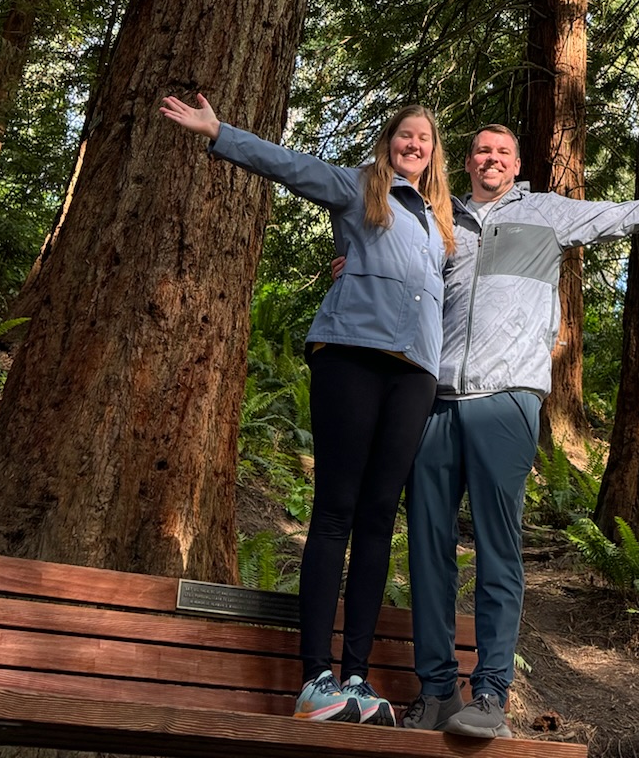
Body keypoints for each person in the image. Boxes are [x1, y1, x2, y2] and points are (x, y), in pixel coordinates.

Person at [399, 123, 639, 739]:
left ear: (517, 162)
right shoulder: (440, 219)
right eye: (482, 150)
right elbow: (404, 278)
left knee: (498, 549)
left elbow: (626, 215)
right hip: (437, 402)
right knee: (428, 552)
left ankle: (490, 696)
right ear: (469, 160)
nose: (492, 159)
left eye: (502, 151)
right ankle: (434, 693)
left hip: (507, 399)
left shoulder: (548, 213)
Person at [161, 92, 454, 728]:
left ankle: (357, 678)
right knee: (336, 511)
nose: (415, 145)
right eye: (406, 135)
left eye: (424, 140)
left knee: (379, 520)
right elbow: (291, 166)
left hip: (416, 376)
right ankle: (315, 676)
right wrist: (220, 132)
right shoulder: (360, 189)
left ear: (435, 155)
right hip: (351, 357)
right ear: (390, 142)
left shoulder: (440, 224)